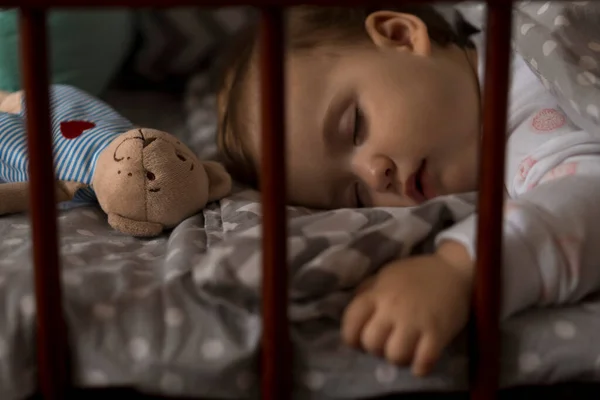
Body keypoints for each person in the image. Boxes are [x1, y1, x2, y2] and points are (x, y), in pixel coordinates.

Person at [216, 5, 600, 378]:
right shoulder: (526, 147)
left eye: (355, 127)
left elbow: (584, 203)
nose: (373, 174)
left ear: (400, 35)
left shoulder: (532, 113)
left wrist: (457, 267)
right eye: (356, 196)